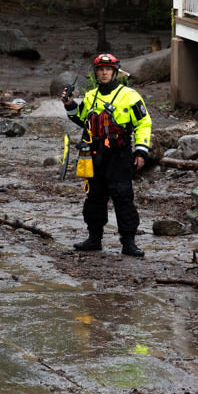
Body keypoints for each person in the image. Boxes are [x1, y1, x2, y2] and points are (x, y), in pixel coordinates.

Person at [60, 53, 151, 257]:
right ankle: (94, 239)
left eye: (107, 69)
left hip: (119, 155)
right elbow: (83, 119)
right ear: (96, 72)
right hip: (94, 154)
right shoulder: (91, 96)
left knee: (123, 197)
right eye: (100, 69)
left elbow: (144, 124)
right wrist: (69, 105)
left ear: (115, 72)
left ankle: (128, 243)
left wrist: (141, 151)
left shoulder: (130, 95)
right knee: (94, 196)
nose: (104, 72)